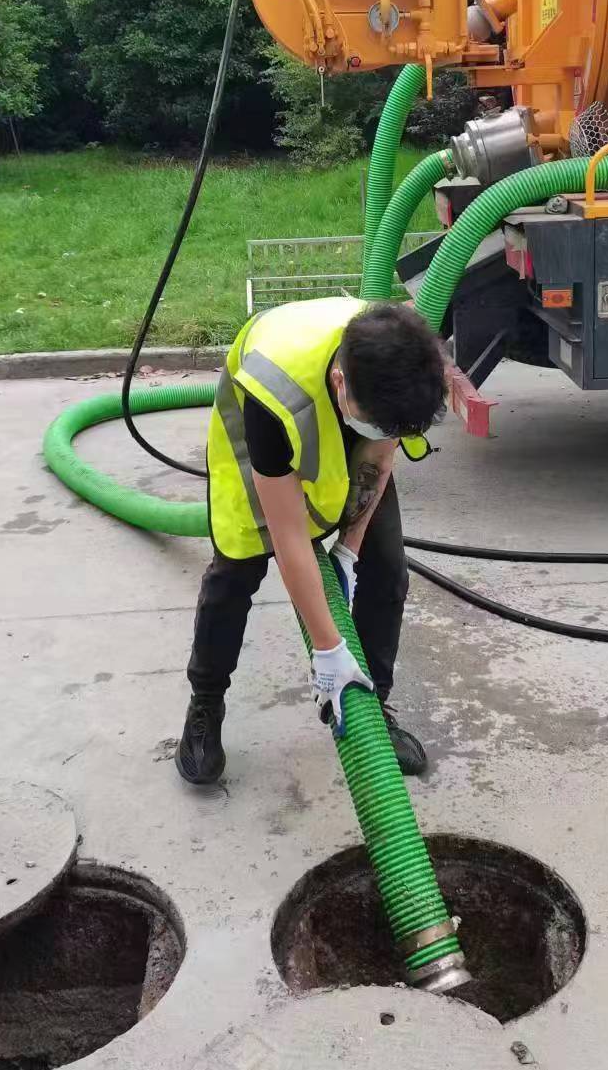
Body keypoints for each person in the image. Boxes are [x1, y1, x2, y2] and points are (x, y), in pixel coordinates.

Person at [177, 296, 448, 787]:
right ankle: (206, 704)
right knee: (236, 571)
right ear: (342, 384)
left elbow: (378, 461)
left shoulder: (397, 364)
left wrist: (348, 549)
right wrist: (327, 650)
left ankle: (372, 702)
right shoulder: (273, 391)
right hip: (258, 438)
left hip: (347, 410)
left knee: (386, 569)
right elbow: (289, 537)